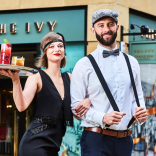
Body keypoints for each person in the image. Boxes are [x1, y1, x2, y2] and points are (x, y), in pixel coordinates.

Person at [70, 9, 148, 156]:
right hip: (95, 139)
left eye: (110, 24)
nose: (106, 29)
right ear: (93, 30)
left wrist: (140, 110)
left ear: (117, 27)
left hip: (125, 141)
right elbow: (76, 107)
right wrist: (102, 117)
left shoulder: (132, 62)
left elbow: (137, 97)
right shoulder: (83, 64)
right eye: (101, 25)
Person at [0, 32, 91, 156]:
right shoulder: (36, 77)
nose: (57, 49)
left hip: (54, 146)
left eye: (60, 46)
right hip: (34, 144)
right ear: (45, 52)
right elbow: (21, 106)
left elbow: (78, 115)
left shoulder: (69, 78)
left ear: (64, 50)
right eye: (51, 47)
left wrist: (88, 100)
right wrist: (15, 80)